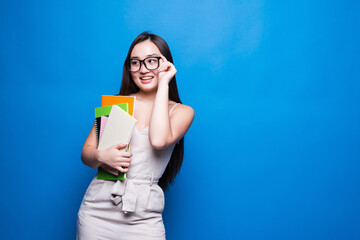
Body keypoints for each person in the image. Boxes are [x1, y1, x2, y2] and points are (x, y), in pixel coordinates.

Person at [77, 32, 194, 240]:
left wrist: (164, 83)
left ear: (166, 63)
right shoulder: (117, 104)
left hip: (144, 218)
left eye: (152, 61)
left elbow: (158, 141)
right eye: (136, 63)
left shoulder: (181, 112)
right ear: (129, 68)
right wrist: (102, 157)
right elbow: (86, 154)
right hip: (97, 211)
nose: (143, 69)